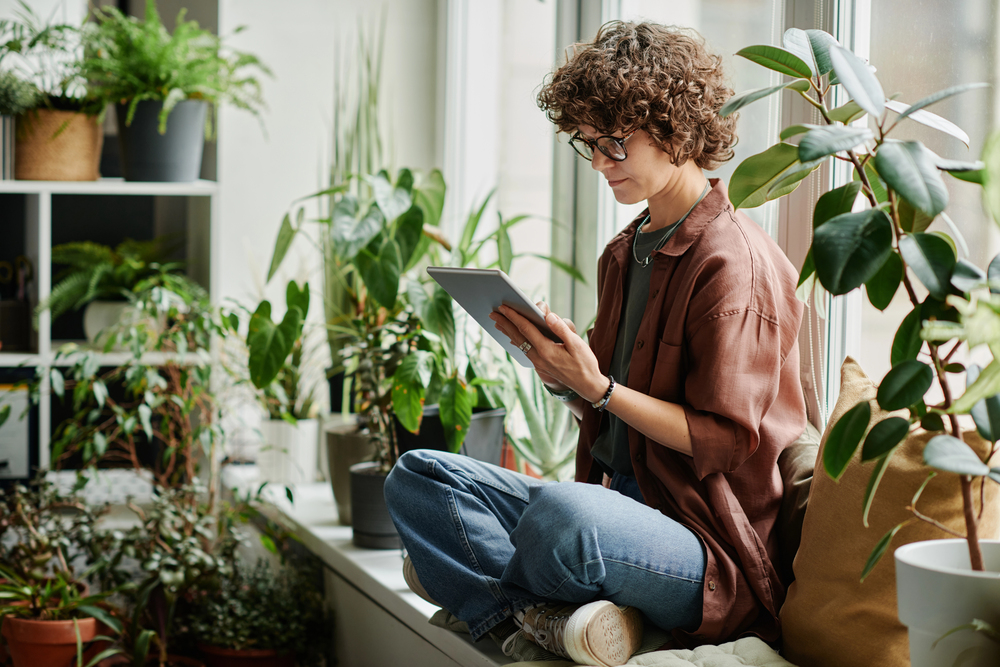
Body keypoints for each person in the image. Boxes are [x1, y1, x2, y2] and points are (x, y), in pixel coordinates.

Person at [384, 20, 807, 667]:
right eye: (589, 145)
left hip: (704, 547)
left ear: (676, 127)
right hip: (618, 505)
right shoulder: (624, 253)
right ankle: (548, 619)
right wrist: (558, 370)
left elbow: (722, 439)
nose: (600, 165)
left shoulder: (735, 265)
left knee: (561, 521)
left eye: (615, 144)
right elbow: (608, 417)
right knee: (418, 479)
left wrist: (599, 386)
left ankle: (519, 608)